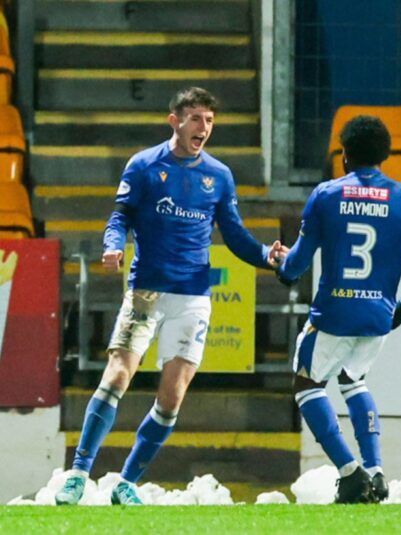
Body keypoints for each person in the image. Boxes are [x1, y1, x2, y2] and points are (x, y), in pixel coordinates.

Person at [56, 87, 277, 505]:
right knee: (118, 375)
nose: (204, 128)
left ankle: (126, 483)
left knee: (172, 397)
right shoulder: (143, 166)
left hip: (193, 297)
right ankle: (79, 474)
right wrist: (113, 244)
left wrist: (267, 255)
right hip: (147, 292)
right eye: (195, 118)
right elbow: (119, 216)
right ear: (173, 120)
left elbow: (234, 235)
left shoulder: (219, 176)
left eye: (209, 120)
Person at [269, 115, 401, 504]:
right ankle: (375, 470)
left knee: (306, 384)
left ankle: (350, 472)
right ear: (385, 155)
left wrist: (282, 268)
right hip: (378, 315)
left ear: (344, 155)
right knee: (352, 378)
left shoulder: (326, 194)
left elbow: (298, 262)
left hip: (334, 313)